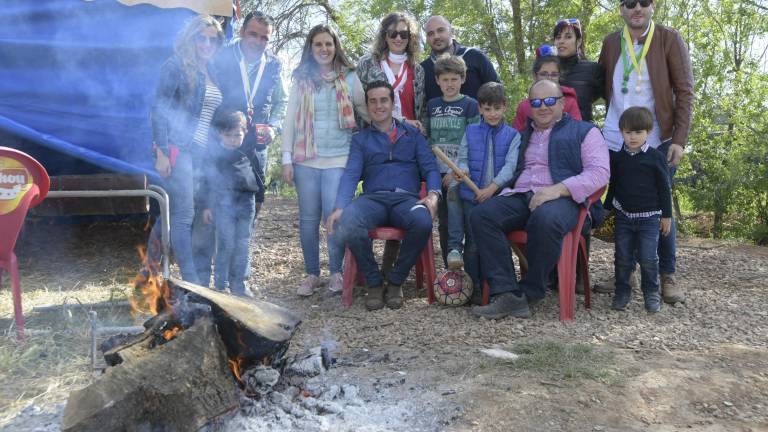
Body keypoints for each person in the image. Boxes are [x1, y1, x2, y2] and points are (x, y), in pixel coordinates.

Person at [470, 80, 609, 319]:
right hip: (521, 195)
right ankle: (506, 293)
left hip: (565, 200)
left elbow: (599, 172)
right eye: (536, 102)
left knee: (545, 218)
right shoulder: (521, 136)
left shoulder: (585, 131)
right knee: (481, 215)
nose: (543, 107)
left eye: (549, 101)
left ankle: (530, 291)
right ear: (529, 106)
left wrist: (558, 189)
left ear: (562, 103)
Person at [597, 0, 693, 303]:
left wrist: (679, 139)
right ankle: (625, 274)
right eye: (629, 3)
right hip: (615, 138)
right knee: (621, 203)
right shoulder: (612, 42)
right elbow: (600, 85)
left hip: (658, 139)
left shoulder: (668, 38)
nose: (636, 8)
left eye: (643, 2)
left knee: (657, 205)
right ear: (621, 9)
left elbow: (685, 91)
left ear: (653, 6)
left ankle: (666, 275)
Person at [326, 81, 441, 311]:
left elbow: (430, 167)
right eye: (373, 101)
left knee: (422, 220)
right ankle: (374, 281)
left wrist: (434, 194)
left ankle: (396, 280)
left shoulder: (412, 135)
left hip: (406, 200)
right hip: (373, 200)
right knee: (348, 220)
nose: (379, 106)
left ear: (392, 103)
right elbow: (351, 174)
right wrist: (340, 206)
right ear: (367, 106)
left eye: (384, 100)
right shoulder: (361, 139)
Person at [280, 24, 369, 296]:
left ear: (335, 46)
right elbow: (289, 122)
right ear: (311, 48)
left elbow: (366, 110)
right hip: (305, 159)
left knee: (334, 216)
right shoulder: (302, 80)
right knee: (308, 219)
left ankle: (336, 272)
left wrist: (397, 123)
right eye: (318, 44)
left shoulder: (350, 78)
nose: (324, 49)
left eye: (328, 44)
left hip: (339, 158)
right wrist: (286, 158)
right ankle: (311, 274)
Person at [150, 15, 224, 284]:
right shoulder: (176, 66)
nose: (206, 44)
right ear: (191, 38)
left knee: (172, 212)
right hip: (178, 148)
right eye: (201, 38)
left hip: (201, 153)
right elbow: (159, 111)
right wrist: (161, 151)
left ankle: (148, 270)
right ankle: (191, 283)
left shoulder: (211, 70)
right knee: (184, 215)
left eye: (212, 39)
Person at [215, 11, 287, 217]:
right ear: (241, 32)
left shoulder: (274, 64)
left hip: (257, 144)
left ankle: (243, 246)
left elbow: (282, 100)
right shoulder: (222, 56)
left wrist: (274, 126)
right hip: (224, 142)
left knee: (254, 200)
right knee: (219, 198)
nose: (258, 41)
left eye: (265, 37)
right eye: (253, 34)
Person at [454, 82, 520, 297]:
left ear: (505, 107)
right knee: (472, 244)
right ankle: (474, 290)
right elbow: (462, 159)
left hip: (498, 198)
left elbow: (511, 167)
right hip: (471, 196)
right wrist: (462, 170)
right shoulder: (470, 131)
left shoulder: (513, 135)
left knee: (494, 242)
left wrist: (492, 189)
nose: (492, 114)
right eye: (487, 109)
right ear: (480, 108)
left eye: (497, 108)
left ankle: (496, 289)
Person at [604, 106, 671, 312]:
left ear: (648, 132)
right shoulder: (618, 158)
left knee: (648, 257)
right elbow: (613, 186)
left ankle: (651, 292)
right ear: (621, 131)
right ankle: (622, 292)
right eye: (628, 132)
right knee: (622, 256)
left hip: (650, 217)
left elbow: (664, 188)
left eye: (638, 132)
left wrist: (666, 215)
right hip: (624, 216)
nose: (633, 137)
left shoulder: (655, 157)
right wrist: (605, 210)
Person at [199, 110, 264, 295]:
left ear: (244, 132)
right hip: (223, 204)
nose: (234, 139)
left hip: (246, 201)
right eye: (229, 135)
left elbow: (259, 176)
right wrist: (206, 206)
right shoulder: (213, 155)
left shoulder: (249, 150)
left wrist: (260, 198)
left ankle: (240, 284)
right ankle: (222, 284)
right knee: (226, 243)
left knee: (243, 243)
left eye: (238, 135)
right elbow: (206, 182)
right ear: (220, 133)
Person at [425, 54, 480, 270]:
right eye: (445, 79)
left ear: (463, 79)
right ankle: (451, 269)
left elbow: (473, 140)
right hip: (436, 173)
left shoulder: (470, 105)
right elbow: (428, 139)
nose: (449, 84)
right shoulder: (432, 105)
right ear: (437, 81)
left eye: (454, 79)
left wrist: (456, 170)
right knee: (445, 222)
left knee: (465, 219)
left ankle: (471, 269)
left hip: (460, 171)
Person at [356, 12, 426, 130]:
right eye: (393, 33)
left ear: (410, 37)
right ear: (385, 36)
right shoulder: (367, 64)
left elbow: (422, 109)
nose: (398, 38)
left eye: (403, 34)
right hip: (375, 137)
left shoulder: (417, 70)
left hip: (408, 137)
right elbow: (360, 104)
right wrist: (401, 121)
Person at [421, 15, 500, 102]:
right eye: (431, 33)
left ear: (452, 32)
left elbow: (497, 92)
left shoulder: (475, 57)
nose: (436, 36)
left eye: (440, 30)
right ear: (427, 39)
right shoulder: (422, 69)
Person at [512, 49, 582, 132]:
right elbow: (515, 137)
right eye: (544, 74)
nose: (549, 78)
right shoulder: (524, 106)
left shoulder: (569, 102)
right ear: (535, 76)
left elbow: (578, 132)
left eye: (554, 74)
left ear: (559, 76)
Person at [553, 18, 604, 122]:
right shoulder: (546, 71)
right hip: (551, 134)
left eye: (568, 37)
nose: (561, 41)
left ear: (579, 41)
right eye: (558, 37)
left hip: (583, 133)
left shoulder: (593, 69)